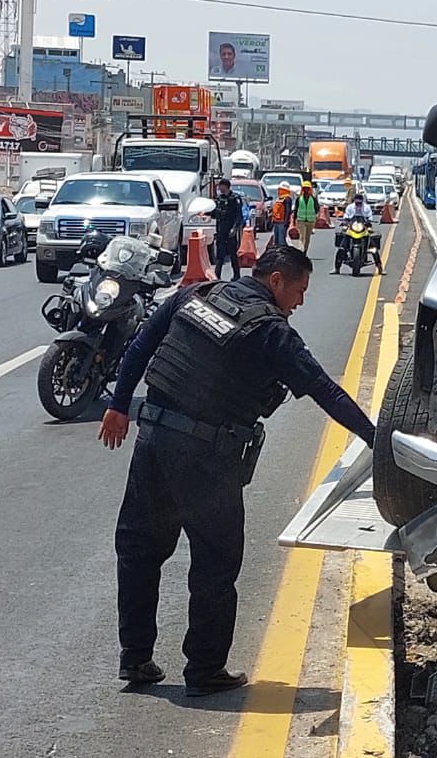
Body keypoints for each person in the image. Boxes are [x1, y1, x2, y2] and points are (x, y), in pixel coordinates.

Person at [99, 246, 377, 697]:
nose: (300, 303)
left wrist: (118, 406)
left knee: (139, 550)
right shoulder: (270, 332)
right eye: (299, 291)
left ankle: (135, 657)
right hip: (208, 458)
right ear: (276, 282)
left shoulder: (194, 296)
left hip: (153, 440)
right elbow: (325, 389)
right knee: (214, 562)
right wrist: (375, 438)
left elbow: (141, 345)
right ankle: (204, 670)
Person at [333, 192, 383, 276]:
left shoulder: (366, 208)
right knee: (341, 248)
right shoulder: (350, 207)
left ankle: (380, 267)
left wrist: (368, 221)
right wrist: (345, 221)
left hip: (363, 228)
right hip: (352, 228)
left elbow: (370, 216)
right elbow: (346, 216)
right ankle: (337, 268)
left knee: (374, 249)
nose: (358, 204)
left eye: (360, 203)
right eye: (357, 203)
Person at [207, 178, 245, 281]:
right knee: (220, 255)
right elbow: (215, 213)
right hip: (221, 231)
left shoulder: (234, 199)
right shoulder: (219, 199)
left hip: (231, 231)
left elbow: (239, 216)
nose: (219, 188)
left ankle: (236, 275)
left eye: (221, 186)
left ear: (226, 186)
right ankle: (217, 276)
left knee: (233, 254)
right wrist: (207, 214)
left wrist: (234, 229)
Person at [292, 181, 320, 254]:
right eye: (304, 188)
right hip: (301, 221)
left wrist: (316, 217)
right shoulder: (299, 199)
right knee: (302, 237)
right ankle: (300, 251)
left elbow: (317, 209)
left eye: (307, 188)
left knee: (307, 238)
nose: (306, 190)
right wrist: (294, 220)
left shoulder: (313, 199)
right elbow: (296, 209)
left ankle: (304, 252)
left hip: (310, 221)